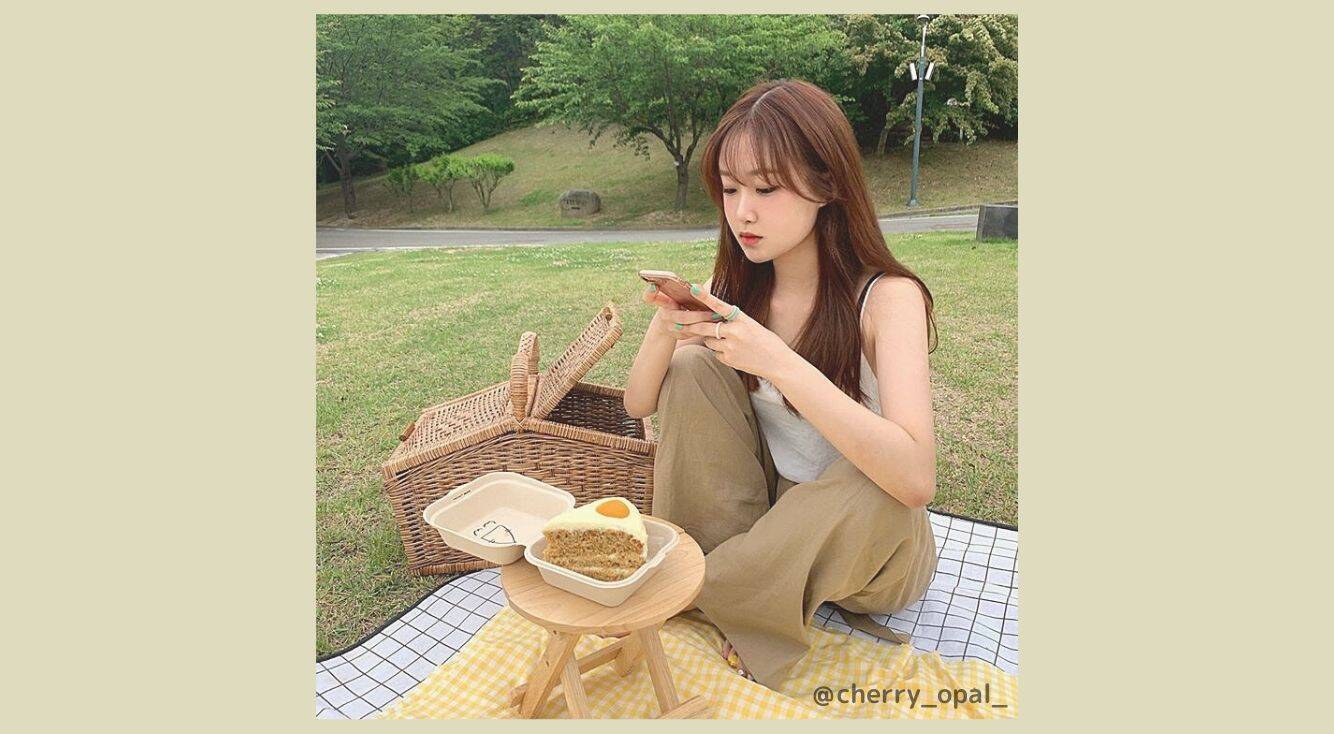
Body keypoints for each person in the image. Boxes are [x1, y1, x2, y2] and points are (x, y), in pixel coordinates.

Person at [620, 78, 940, 691]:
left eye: (766, 189)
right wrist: (665, 327)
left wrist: (778, 361)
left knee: (874, 479)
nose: (742, 211)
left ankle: (694, 586)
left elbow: (915, 480)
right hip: (771, 514)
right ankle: (728, 576)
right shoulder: (741, 286)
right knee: (692, 369)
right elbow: (639, 403)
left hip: (871, 542)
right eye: (730, 188)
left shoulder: (888, 298)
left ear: (827, 185)